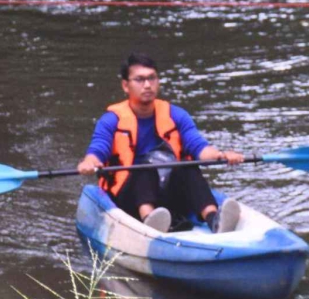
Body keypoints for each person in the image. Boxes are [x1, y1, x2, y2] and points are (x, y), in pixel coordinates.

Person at [78, 53, 245, 234]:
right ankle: (150, 221)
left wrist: (220, 155)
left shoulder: (176, 115)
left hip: (168, 193)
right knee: (144, 167)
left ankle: (214, 219)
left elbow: (198, 146)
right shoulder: (111, 121)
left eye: (152, 78)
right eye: (139, 80)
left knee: (187, 166)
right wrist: (90, 162)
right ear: (126, 86)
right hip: (128, 197)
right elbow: (98, 149)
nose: (147, 85)